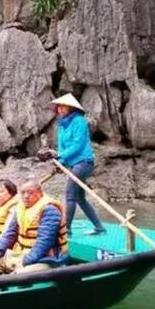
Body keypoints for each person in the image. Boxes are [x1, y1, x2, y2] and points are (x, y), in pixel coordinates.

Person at [46, 93, 106, 235]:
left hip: (84, 162)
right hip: (74, 165)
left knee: (69, 195)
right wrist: (60, 163)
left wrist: (60, 156)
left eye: (64, 106)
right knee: (80, 198)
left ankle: (67, 230)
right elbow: (62, 149)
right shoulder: (62, 125)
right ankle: (99, 227)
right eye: (59, 106)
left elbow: (78, 145)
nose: (60, 109)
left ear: (71, 107)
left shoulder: (80, 121)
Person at [0, 180, 68, 275]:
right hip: (21, 253)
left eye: (30, 192)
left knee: (21, 274)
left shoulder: (49, 210)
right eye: (23, 193)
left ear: (40, 192)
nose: (26, 196)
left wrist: (25, 263)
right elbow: (9, 233)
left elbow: (44, 242)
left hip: (45, 259)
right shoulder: (19, 208)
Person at [0, 179, 20, 245]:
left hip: (7, 243)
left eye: (1, 192)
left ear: (11, 192)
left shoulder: (14, 207)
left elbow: (9, 230)